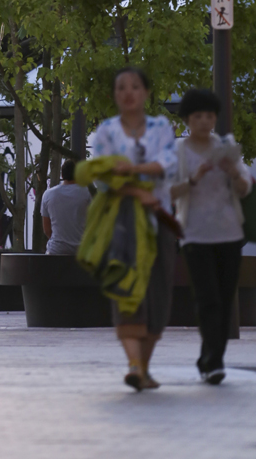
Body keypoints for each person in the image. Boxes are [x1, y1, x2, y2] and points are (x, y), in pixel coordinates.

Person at [93, 66, 177, 391]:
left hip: (159, 223)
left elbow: (167, 164)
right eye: (121, 87)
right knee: (126, 292)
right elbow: (104, 176)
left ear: (145, 92)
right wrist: (135, 189)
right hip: (122, 224)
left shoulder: (162, 127)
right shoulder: (106, 132)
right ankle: (133, 364)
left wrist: (133, 169)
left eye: (135, 86)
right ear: (115, 95)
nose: (128, 92)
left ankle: (144, 366)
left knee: (158, 294)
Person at [171, 87, 252, 385]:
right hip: (195, 235)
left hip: (229, 233)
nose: (204, 121)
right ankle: (214, 362)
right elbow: (168, 190)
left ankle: (209, 357)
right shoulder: (179, 152)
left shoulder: (226, 148)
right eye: (198, 116)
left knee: (224, 296)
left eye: (209, 116)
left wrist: (234, 173)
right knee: (208, 299)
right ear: (187, 120)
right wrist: (194, 178)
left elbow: (244, 189)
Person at [41, 159, 91, 256]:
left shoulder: (48, 195)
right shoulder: (85, 193)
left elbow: (47, 230)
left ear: (62, 175)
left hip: (56, 250)